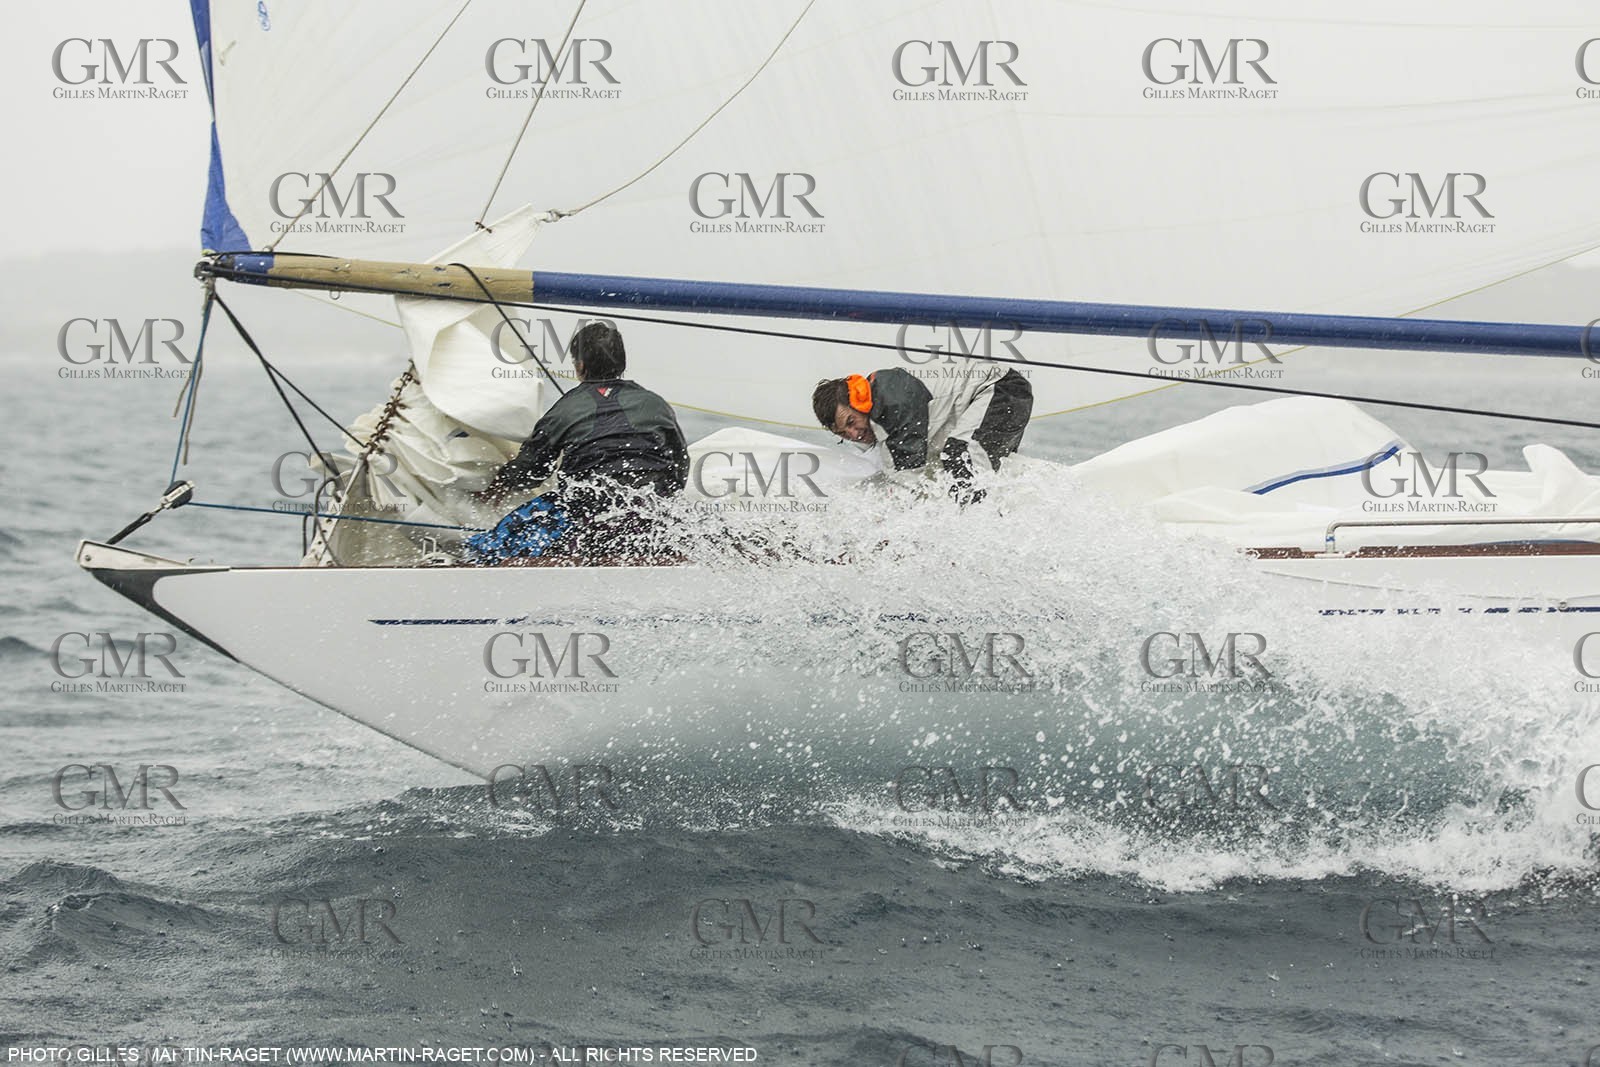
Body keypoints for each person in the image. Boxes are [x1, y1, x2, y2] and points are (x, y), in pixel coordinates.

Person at [467, 322, 688, 563]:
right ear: (622, 364)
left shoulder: (563, 411)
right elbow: (679, 465)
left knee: (489, 549)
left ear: (579, 365)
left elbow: (532, 471)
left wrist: (498, 485)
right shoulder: (656, 404)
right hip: (649, 511)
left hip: (587, 513)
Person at [810, 362, 1032, 497]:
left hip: (1001, 390)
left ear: (859, 402)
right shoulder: (879, 425)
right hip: (989, 403)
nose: (853, 434)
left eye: (850, 422)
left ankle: (974, 536)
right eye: (842, 434)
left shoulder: (891, 400)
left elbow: (905, 480)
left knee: (960, 457)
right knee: (953, 470)